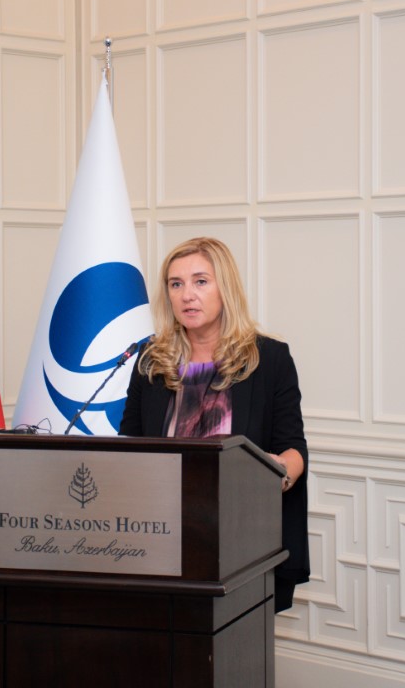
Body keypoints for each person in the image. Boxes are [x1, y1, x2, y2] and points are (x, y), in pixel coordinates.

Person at [119, 237, 309, 612]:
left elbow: (293, 449)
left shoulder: (269, 359)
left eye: (201, 281)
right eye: (176, 284)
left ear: (226, 288)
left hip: (240, 542)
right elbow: (130, 445)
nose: (187, 295)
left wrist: (278, 473)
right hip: (158, 538)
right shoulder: (151, 360)